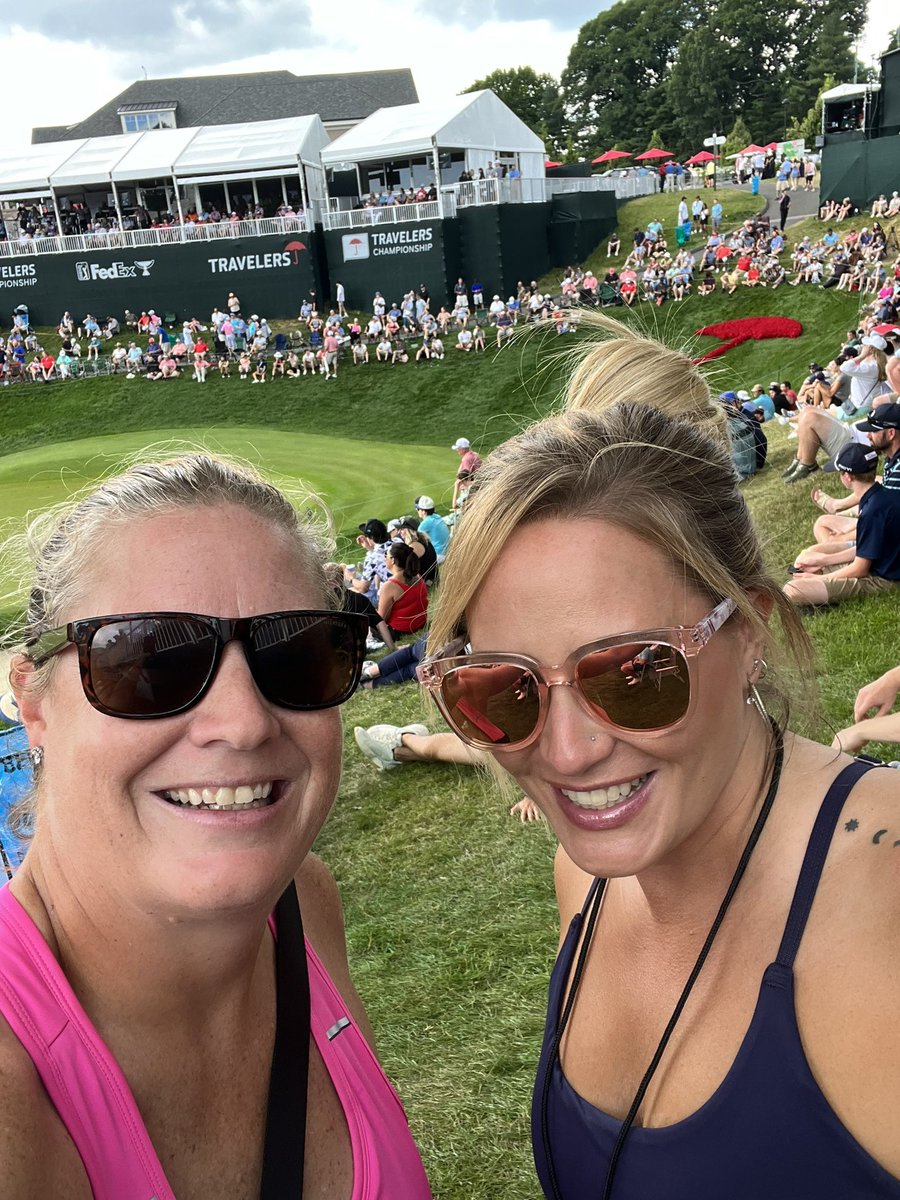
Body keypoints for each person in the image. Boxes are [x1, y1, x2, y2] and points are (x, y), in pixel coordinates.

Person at [417, 313, 900, 1197]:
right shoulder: (587, 879)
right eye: (504, 688)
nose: (566, 751)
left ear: (748, 629)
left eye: (635, 672)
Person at [0, 453, 432, 1199]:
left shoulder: (304, 902)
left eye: (295, 652)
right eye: (148, 660)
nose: (241, 722)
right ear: (33, 703)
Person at [784, 443, 900, 606]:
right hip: (880, 564)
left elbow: (860, 569)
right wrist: (824, 560)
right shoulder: (881, 496)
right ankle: (816, 574)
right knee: (807, 558)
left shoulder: (872, 511)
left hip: (883, 579)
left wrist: (818, 578)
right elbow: (867, 549)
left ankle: (816, 587)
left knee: (791, 589)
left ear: (848, 476)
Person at [377, 543, 428, 637]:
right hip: (421, 623)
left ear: (392, 560)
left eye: (386, 555)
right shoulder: (417, 576)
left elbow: (381, 619)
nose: (385, 558)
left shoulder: (390, 586)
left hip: (401, 630)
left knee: (369, 621)